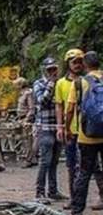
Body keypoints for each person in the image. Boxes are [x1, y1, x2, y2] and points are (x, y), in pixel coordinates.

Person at [56, 48, 103, 210]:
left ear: (85, 64)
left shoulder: (79, 83)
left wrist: (67, 128)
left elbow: (69, 110)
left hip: (86, 135)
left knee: (83, 172)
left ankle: (77, 211)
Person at [33, 57, 64, 201]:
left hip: (58, 126)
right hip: (44, 127)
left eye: (54, 69)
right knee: (45, 161)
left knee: (54, 162)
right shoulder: (39, 84)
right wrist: (51, 84)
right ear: (44, 70)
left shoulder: (61, 83)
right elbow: (42, 102)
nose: (52, 72)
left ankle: (53, 190)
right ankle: (39, 192)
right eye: (49, 69)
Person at [14, 78, 36, 167]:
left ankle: (28, 160)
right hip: (20, 118)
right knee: (24, 140)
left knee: (28, 141)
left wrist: (27, 119)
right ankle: (32, 158)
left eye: (16, 85)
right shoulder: (21, 94)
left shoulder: (28, 93)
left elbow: (31, 108)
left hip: (25, 119)